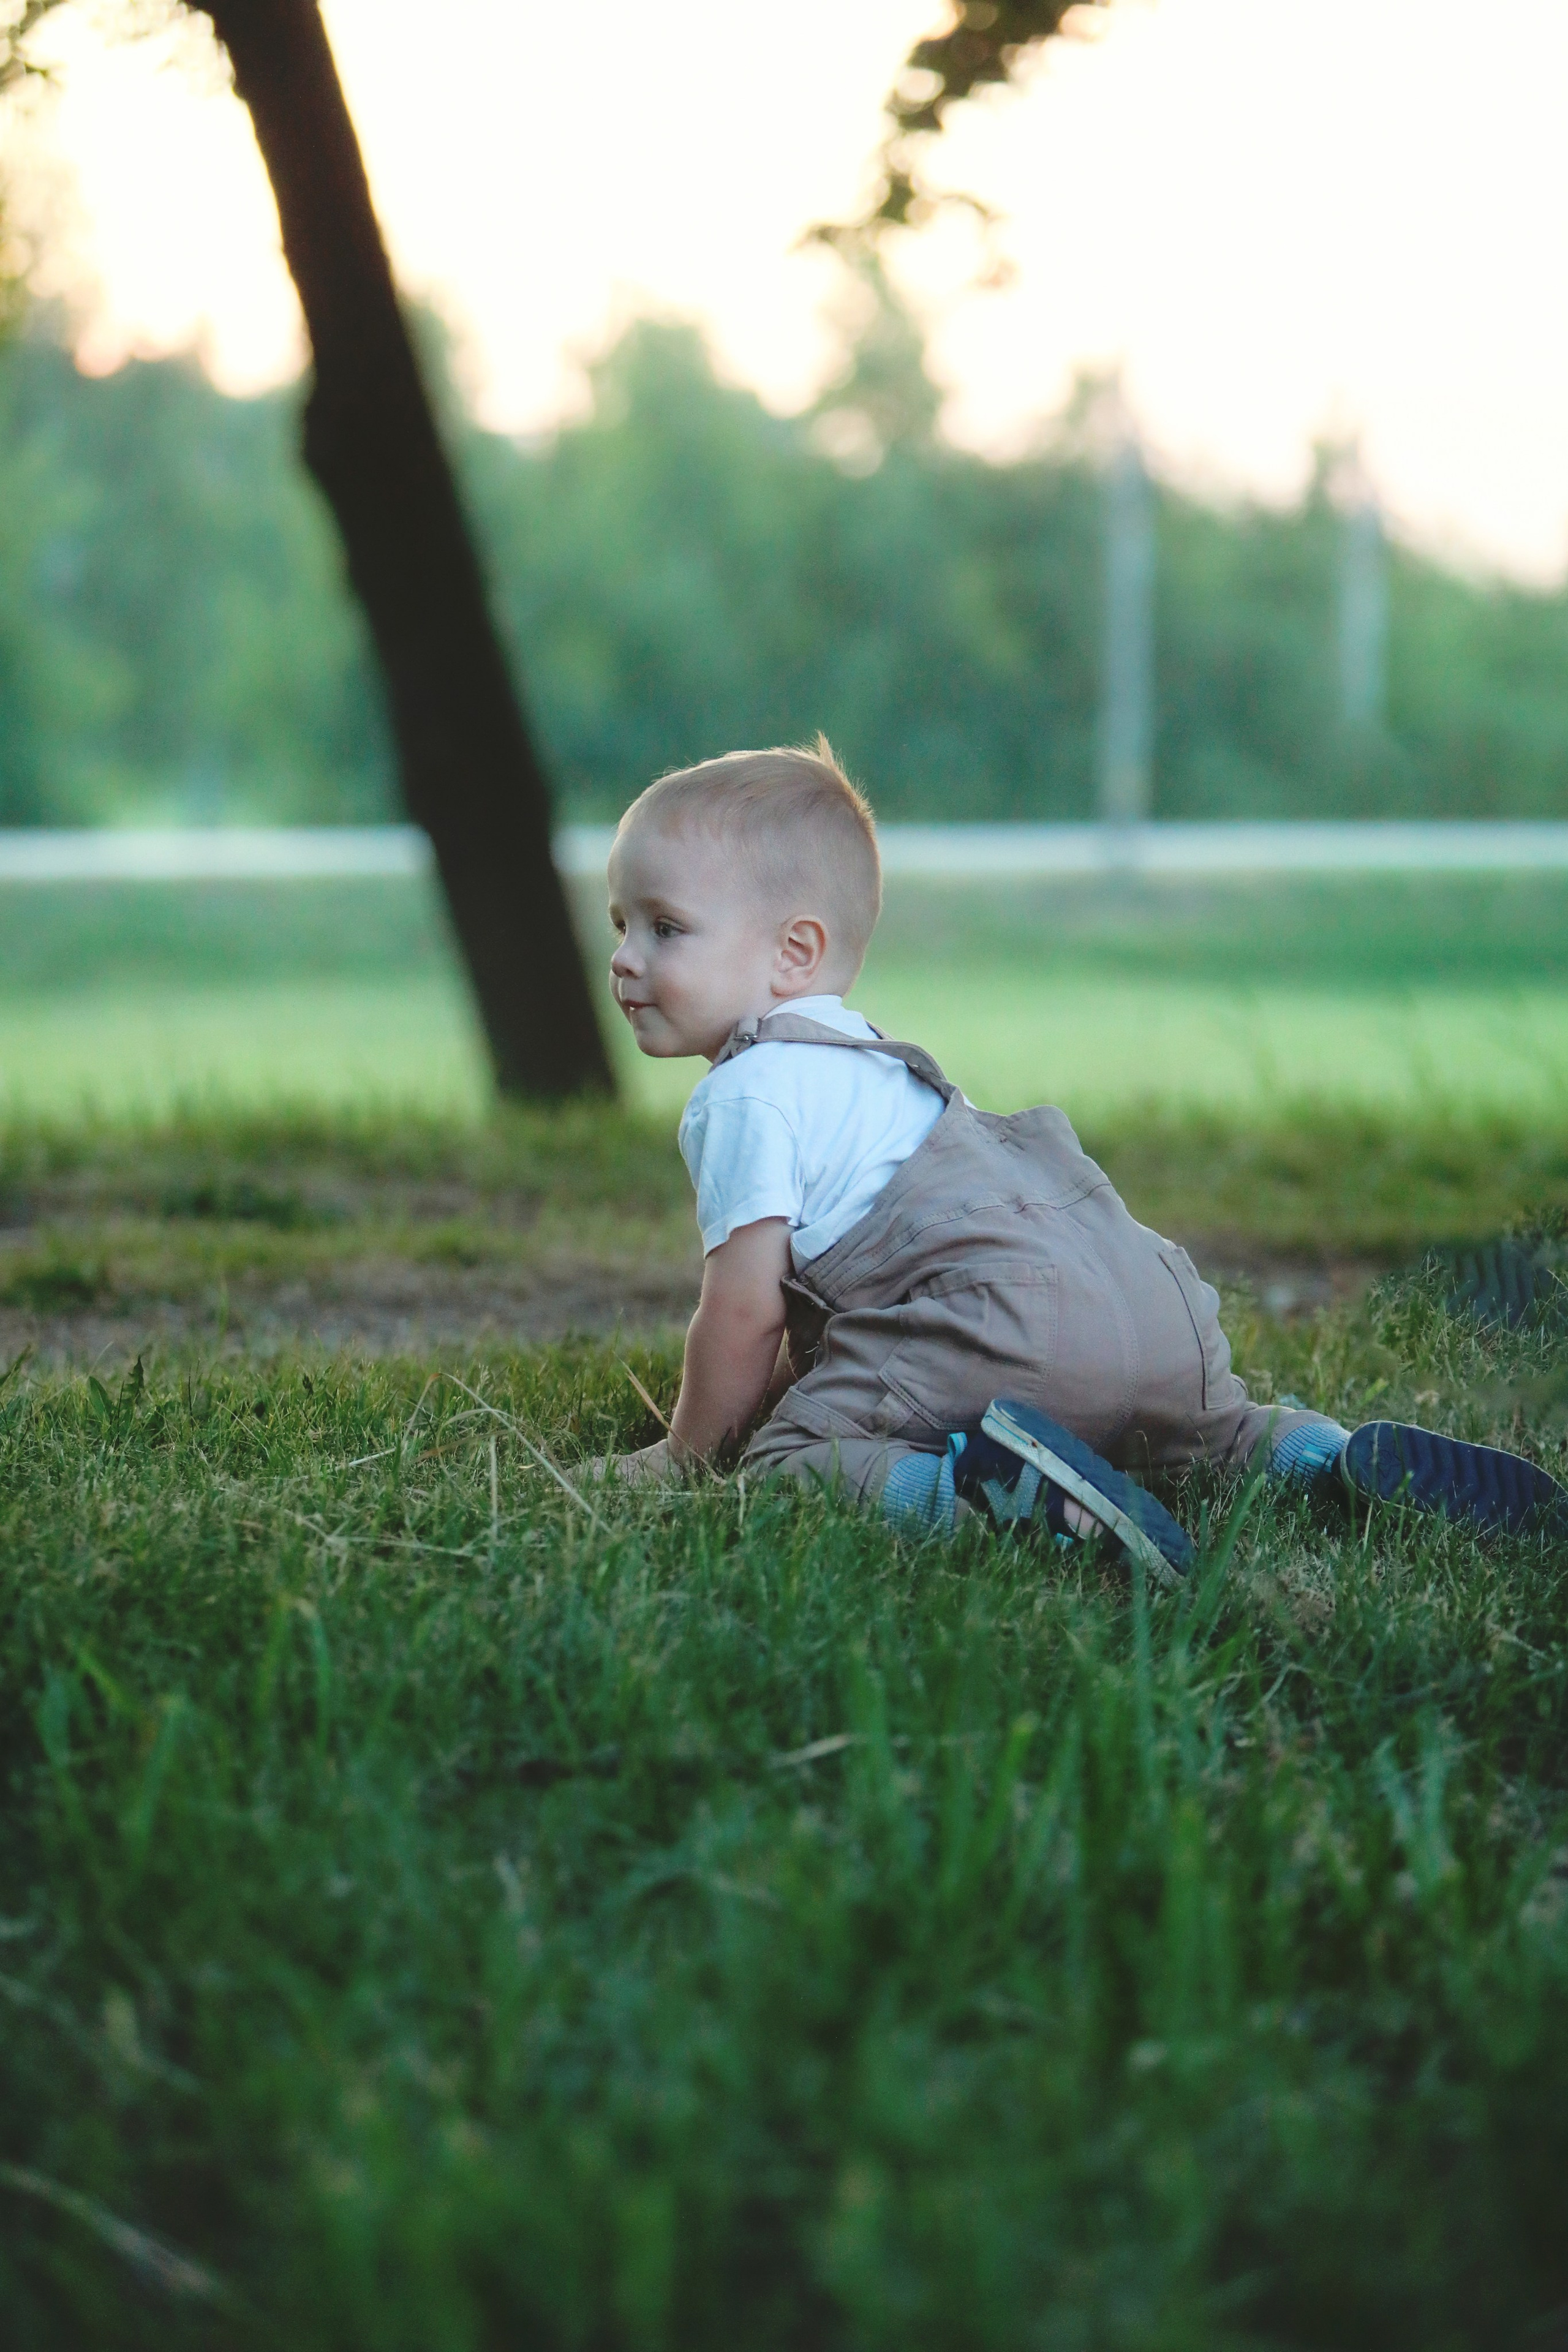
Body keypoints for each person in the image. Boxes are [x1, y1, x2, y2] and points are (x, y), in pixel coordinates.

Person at [598, 739, 1565, 1580]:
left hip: (1002, 1333)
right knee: (1211, 1439)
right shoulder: (875, 1063)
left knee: (787, 1461)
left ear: (794, 951)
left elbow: (746, 1310)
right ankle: (1326, 1458)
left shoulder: (747, 1092)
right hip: (1150, 1309)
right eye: (620, 925)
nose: (626, 959)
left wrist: (688, 1450)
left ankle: (979, 1499)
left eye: (665, 927)